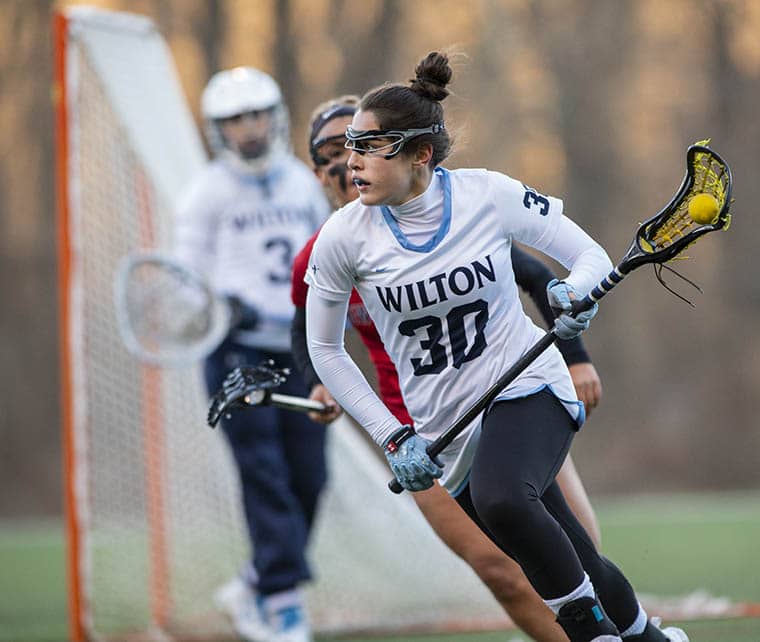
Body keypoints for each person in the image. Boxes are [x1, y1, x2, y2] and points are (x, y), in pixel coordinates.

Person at [303, 53, 689, 642]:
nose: (353, 161)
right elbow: (325, 350)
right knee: (577, 554)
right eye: (351, 146)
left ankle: (593, 633)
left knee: (503, 498)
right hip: (443, 427)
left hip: (527, 384)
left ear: (420, 154)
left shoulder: (488, 195)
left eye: (371, 145)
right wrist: (393, 436)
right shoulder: (342, 238)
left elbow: (587, 257)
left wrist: (573, 294)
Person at [290, 94, 603, 641]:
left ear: (412, 153)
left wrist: (575, 355)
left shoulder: (467, 207)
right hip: (422, 428)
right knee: (504, 572)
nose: (349, 161)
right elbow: (313, 340)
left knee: (575, 549)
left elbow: (538, 274)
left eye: (360, 145)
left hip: (514, 392)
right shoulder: (332, 247)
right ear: (318, 173)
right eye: (334, 153)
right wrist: (328, 392)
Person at [173, 66, 332, 642]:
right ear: (219, 129)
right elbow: (183, 281)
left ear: (276, 116)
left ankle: (256, 581)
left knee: (310, 477)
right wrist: (221, 306)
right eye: (235, 119)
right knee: (264, 473)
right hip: (237, 354)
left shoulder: (300, 184)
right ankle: (283, 604)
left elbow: (326, 259)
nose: (249, 128)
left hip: (298, 348)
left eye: (257, 114)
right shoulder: (206, 193)